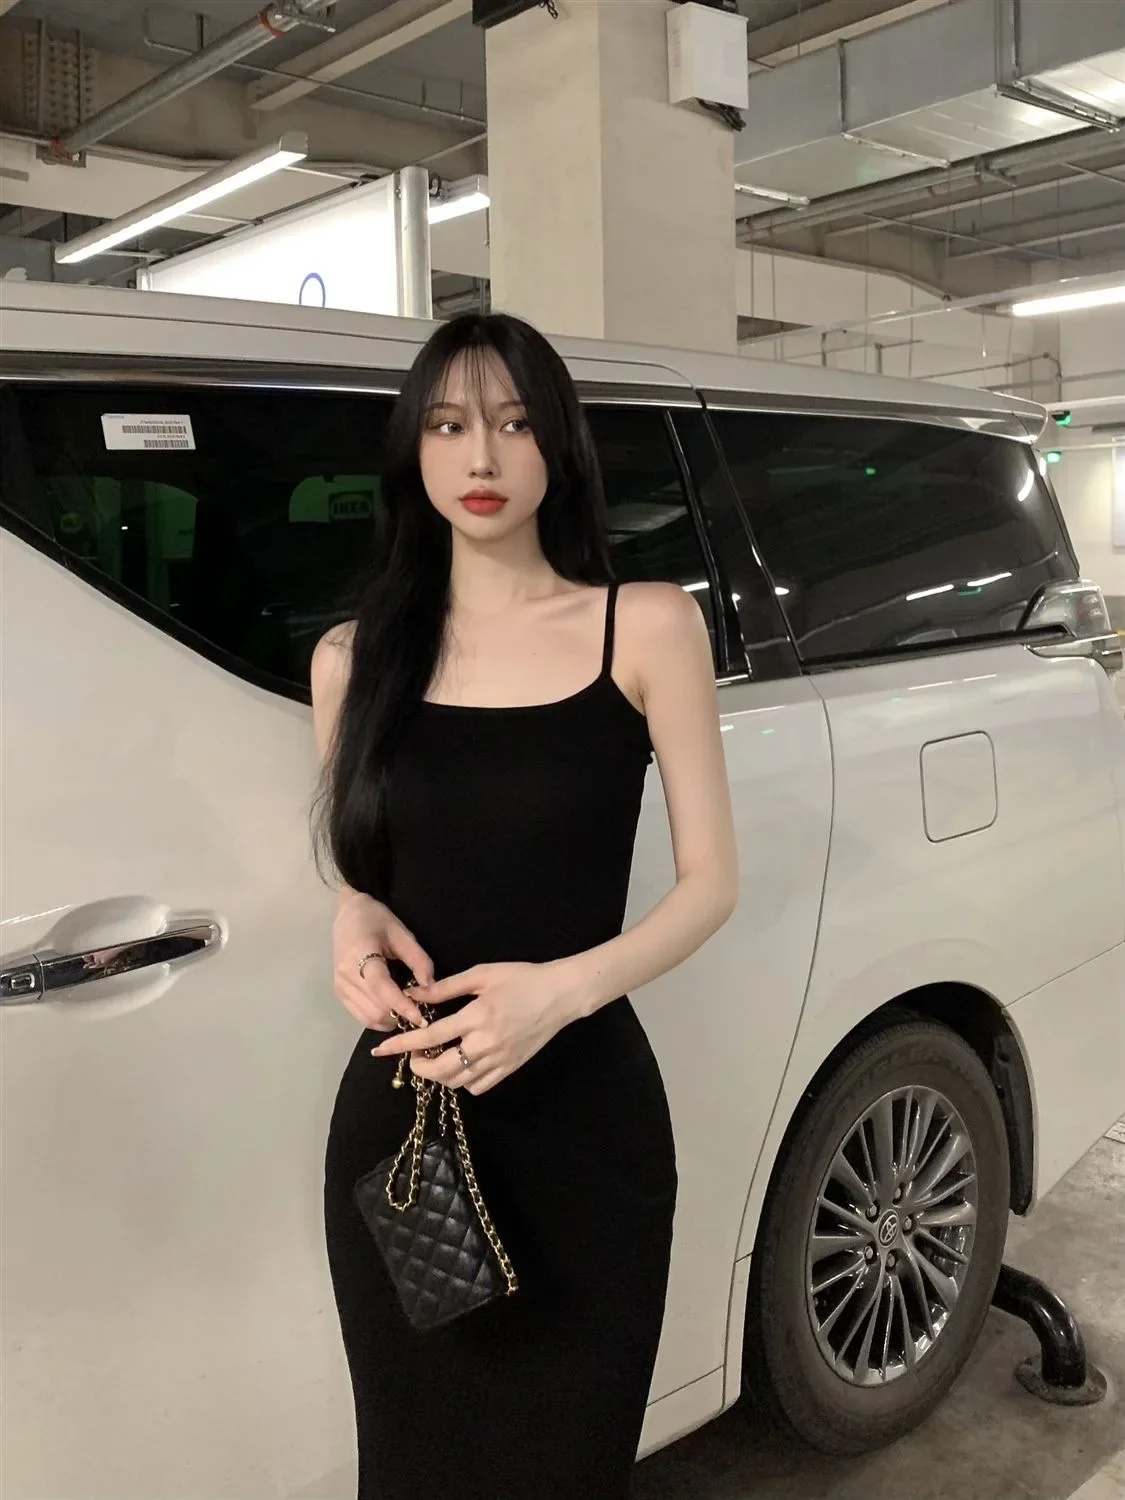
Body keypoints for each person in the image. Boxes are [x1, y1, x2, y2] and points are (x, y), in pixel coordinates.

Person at [311, 312, 738, 1500]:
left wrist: (557, 994)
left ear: (559, 445)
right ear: (414, 450)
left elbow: (711, 883)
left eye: (513, 423)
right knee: (414, 1464)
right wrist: (350, 913)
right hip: (408, 1128)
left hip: (584, 1121)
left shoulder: (643, 625)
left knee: (567, 1463)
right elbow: (357, 863)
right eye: (450, 426)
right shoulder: (353, 658)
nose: (484, 458)